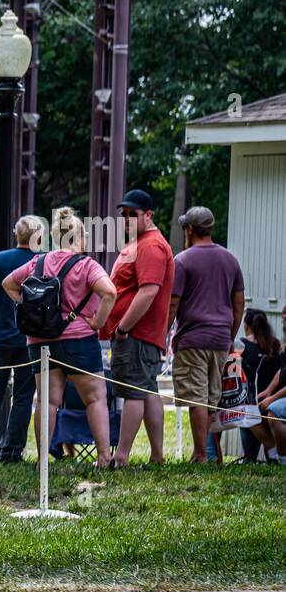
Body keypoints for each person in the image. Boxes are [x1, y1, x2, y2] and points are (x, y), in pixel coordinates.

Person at [4, 207, 119, 469]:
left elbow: (8, 283)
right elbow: (110, 292)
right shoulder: (86, 265)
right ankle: (103, 457)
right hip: (79, 339)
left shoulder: (38, 263)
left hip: (40, 341)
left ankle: (43, 460)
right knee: (95, 398)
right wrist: (97, 322)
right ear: (79, 237)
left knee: (47, 401)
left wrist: (28, 306)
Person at [101, 188, 174, 467]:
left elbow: (148, 291)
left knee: (133, 392)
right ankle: (157, 455)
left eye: (134, 214)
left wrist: (122, 327)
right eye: (125, 215)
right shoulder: (140, 243)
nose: (127, 219)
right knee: (147, 390)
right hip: (141, 335)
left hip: (137, 335)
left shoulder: (150, 246)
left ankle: (121, 457)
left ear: (149, 215)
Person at [166, 206, 245, 463]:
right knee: (211, 397)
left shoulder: (184, 260)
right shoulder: (230, 260)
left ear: (189, 229)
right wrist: (229, 334)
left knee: (196, 398)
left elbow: (174, 303)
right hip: (221, 338)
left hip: (192, 339)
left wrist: (163, 333)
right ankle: (211, 453)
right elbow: (238, 304)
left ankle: (200, 454)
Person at [0, 216, 43, 464]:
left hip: (0, 341)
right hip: (30, 342)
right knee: (24, 397)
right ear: (39, 237)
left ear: (16, 235)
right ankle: (13, 452)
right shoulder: (42, 261)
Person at [240, 309, 284, 462]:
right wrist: (270, 392)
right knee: (251, 412)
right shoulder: (276, 344)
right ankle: (271, 455)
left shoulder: (244, 345)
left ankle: (267, 454)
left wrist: (270, 396)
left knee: (246, 413)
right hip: (270, 396)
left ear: (246, 326)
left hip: (259, 400)